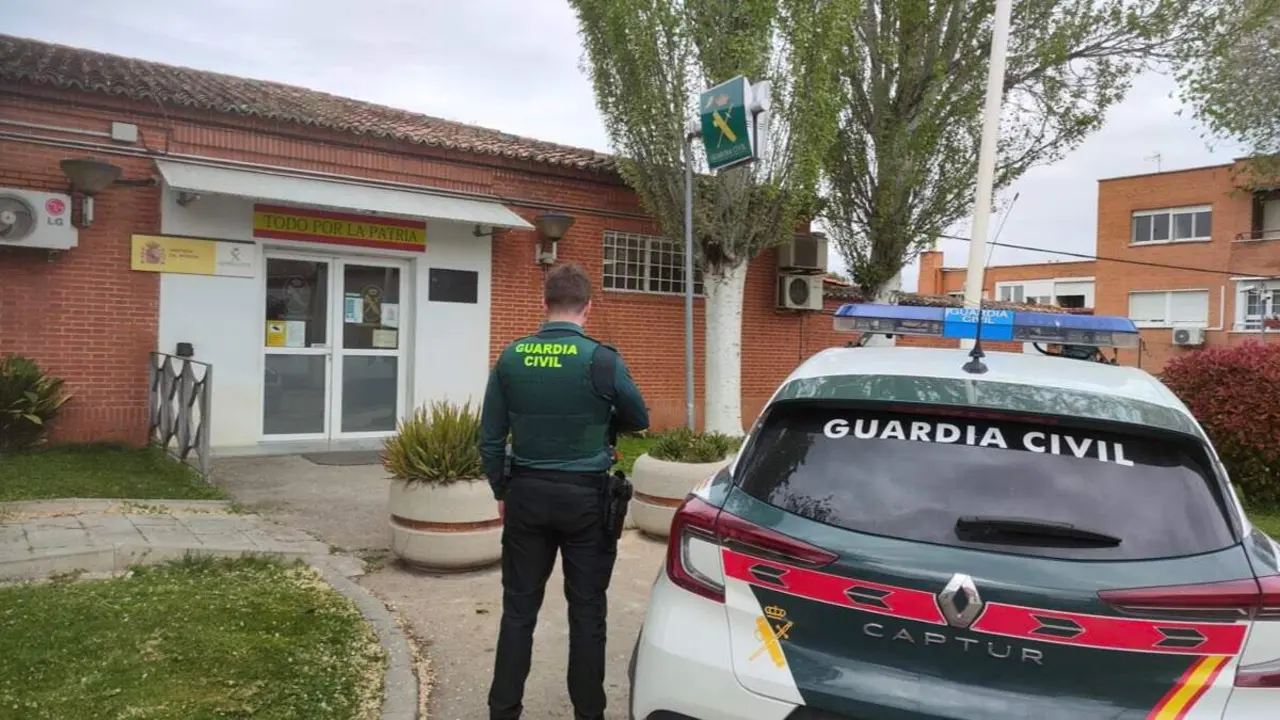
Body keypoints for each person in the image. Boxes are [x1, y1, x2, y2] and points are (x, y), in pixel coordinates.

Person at [479, 262, 649, 720]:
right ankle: (589, 713)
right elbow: (640, 418)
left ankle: (503, 710)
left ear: (543, 303)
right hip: (586, 501)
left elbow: (490, 437)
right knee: (587, 613)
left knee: (518, 611)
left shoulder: (512, 357)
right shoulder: (603, 359)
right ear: (588, 308)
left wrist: (501, 488)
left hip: (526, 495)